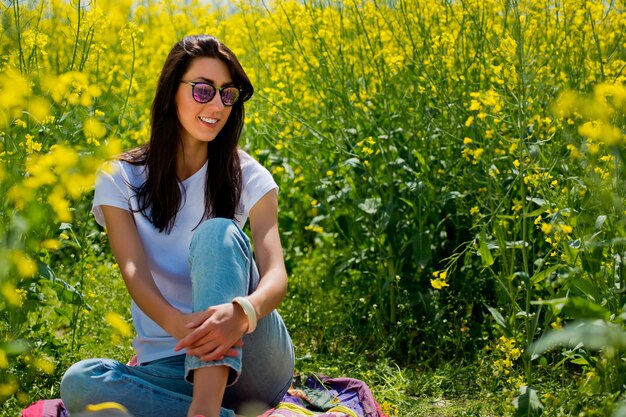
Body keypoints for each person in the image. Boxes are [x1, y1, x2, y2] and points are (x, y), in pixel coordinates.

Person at [60, 35, 295, 417]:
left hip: (251, 356)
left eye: (227, 94)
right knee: (81, 383)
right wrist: (183, 328)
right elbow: (133, 271)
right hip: (170, 361)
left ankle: (202, 411)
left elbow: (276, 276)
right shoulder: (120, 178)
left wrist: (241, 313)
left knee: (216, 233)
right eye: (203, 90)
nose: (217, 105)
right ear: (172, 91)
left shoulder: (249, 175)